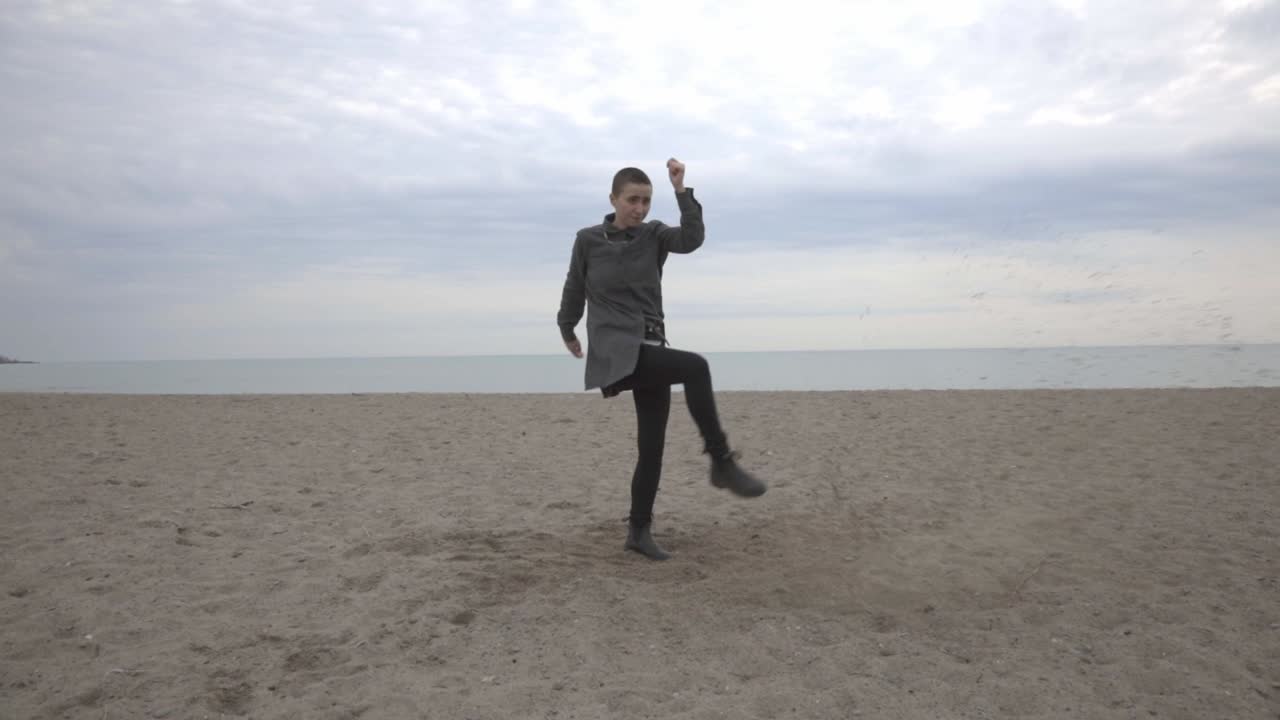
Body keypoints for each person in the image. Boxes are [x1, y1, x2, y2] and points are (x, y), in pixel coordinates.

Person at [556, 158, 767, 561]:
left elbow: (692, 238)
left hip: (652, 346)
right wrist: (567, 328)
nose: (639, 208)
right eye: (632, 200)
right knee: (696, 367)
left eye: (646, 201)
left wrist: (680, 190)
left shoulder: (653, 235)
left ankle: (638, 531)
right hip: (616, 349)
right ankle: (721, 461)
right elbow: (575, 287)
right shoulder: (588, 240)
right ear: (614, 198)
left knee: (651, 448)